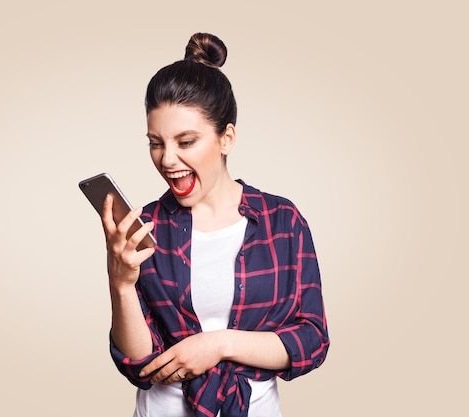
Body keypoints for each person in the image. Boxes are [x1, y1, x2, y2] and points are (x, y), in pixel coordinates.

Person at [100, 32, 329, 417]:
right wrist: (120, 282)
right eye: (156, 142)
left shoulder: (282, 222)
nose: (167, 159)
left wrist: (218, 345)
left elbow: (312, 340)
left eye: (186, 141)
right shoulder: (147, 226)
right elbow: (140, 366)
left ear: (226, 138)